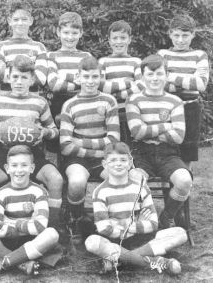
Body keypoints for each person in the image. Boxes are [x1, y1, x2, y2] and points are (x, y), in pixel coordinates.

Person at [0, 54, 64, 233]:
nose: (19, 81)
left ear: (32, 79)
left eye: (24, 77)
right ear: (8, 77)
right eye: (15, 76)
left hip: (34, 155)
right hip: (5, 155)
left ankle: (53, 225)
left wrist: (45, 132)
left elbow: (54, 131)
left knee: (55, 179)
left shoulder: (39, 102)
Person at [85, 142, 188, 275]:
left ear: (130, 162)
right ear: (105, 164)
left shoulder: (140, 187)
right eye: (113, 160)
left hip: (142, 241)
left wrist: (118, 223)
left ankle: (120, 260)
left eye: (123, 160)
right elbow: (104, 228)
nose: (118, 164)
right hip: (115, 242)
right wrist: (136, 223)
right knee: (92, 242)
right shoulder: (100, 192)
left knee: (180, 233)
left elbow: (154, 223)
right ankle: (159, 262)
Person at [0, 145, 59, 279]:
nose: (19, 170)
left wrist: (11, 223)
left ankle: (2, 263)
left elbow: (40, 227)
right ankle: (21, 263)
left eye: (24, 165)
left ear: (32, 168)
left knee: (52, 234)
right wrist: (26, 224)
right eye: (14, 165)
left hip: (30, 241)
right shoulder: (1, 193)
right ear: (7, 168)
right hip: (5, 242)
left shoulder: (39, 192)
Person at [126, 54, 193, 229]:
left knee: (184, 180)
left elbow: (178, 136)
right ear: (142, 76)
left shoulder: (175, 101)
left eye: (159, 74)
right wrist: (166, 125)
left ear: (167, 75)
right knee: (135, 180)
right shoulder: (134, 100)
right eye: (150, 74)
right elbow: (137, 132)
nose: (155, 78)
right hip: (142, 154)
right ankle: (142, 222)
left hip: (168, 153)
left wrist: (149, 129)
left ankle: (166, 217)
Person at [60, 56, 120, 237]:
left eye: (95, 77)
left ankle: (117, 221)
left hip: (105, 158)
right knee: (77, 181)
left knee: (119, 178)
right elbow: (65, 145)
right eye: (86, 77)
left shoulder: (109, 101)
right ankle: (76, 218)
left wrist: (80, 142)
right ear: (78, 77)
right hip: (77, 159)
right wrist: (96, 148)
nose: (90, 81)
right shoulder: (69, 104)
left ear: (101, 77)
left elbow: (114, 139)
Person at [157, 15, 209, 169]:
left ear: (193, 34)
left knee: (187, 151)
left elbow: (200, 84)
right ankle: (168, 188)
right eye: (176, 35)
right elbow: (158, 83)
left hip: (190, 108)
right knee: (165, 146)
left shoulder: (200, 55)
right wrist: (187, 81)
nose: (180, 40)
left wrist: (171, 77)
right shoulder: (162, 54)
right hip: (165, 108)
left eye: (185, 35)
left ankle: (184, 189)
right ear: (170, 34)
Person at [98, 20, 143, 146]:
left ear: (129, 39)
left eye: (123, 38)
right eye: (115, 38)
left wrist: (115, 94)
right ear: (109, 40)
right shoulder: (103, 62)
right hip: (110, 115)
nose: (119, 42)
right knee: (113, 148)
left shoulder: (136, 62)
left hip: (131, 114)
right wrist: (128, 84)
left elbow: (141, 86)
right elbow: (101, 87)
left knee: (131, 149)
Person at [0, 1, 47, 95]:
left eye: (24, 19)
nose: (20, 23)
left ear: (31, 21)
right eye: (16, 19)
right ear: (9, 21)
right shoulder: (1, 46)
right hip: (5, 98)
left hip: (31, 99)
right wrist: (28, 74)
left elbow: (41, 79)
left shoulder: (39, 47)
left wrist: (8, 70)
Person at [46, 12, 92, 119]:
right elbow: (54, 84)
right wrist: (78, 83)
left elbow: (91, 82)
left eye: (74, 33)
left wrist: (63, 76)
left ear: (81, 33)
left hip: (83, 102)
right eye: (66, 32)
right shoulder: (51, 56)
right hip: (59, 105)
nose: (70, 37)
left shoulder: (86, 56)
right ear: (58, 32)